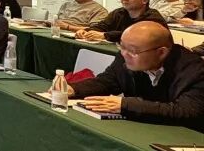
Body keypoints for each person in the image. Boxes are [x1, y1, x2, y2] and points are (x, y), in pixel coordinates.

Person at [67, 21, 204, 131]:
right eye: (121, 46)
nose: (124, 54)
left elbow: (185, 112)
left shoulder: (195, 71)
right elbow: (107, 81)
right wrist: (73, 89)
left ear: (161, 52)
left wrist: (125, 105)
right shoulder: (125, 56)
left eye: (133, 51)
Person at [76, 0, 167, 43]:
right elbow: (103, 25)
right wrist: (85, 31)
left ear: (144, 0)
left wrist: (105, 35)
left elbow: (136, 35)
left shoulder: (153, 17)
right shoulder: (119, 12)